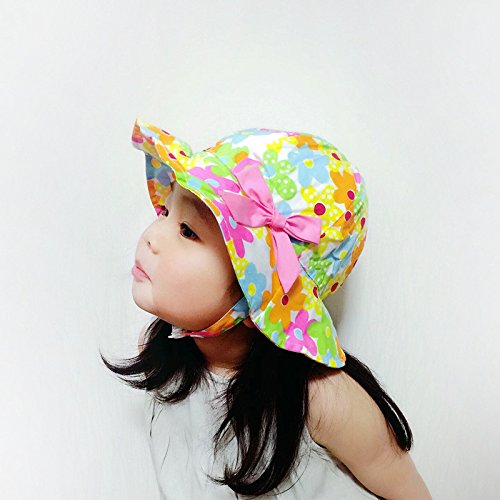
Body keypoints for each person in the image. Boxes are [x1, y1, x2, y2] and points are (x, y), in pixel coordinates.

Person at [101, 117, 432, 499]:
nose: (151, 236)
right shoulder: (163, 355)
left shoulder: (321, 398)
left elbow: (406, 489)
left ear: (257, 289)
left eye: (188, 231)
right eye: (165, 213)